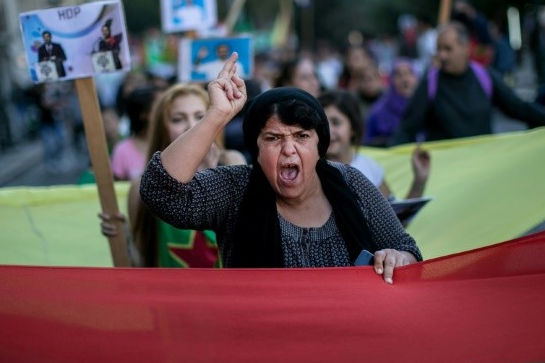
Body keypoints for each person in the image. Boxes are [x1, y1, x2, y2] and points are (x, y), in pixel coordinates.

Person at [139, 53, 422, 284]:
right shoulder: (235, 189)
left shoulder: (350, 182)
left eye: (301, 137)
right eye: (273, 139)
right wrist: (216, 116)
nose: (289, 149)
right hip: (264, 347)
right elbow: (161, 193)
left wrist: (398, 258)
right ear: (257, 149)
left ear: (319, 145)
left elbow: (407, 249)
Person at [101, 83, 246, 267]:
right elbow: (141, 266)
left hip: (228, 293)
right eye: (178, 119)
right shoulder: (141, 188)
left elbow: (247, 242)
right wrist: (124, 237)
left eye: (201, 117)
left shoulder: (233, 163)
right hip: (170, 294)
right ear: (162, 128)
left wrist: (214, 176)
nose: (192, 126)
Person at [390, 21, 545, 144]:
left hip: (482, 170)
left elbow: (519, 108)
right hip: (445, 173)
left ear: (466, 48)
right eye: (439, 49)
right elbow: (407, 129)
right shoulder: (429, 83)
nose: (441, 55)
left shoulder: (485, 76)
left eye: (448, 49)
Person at [319, 89, 429, 201]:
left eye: (336, 123)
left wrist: (419, 181)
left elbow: (395, 215)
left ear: (353, 127)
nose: (329, 131)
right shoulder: (312, 173)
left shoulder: (370, 166)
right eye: (323, 124)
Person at [364, 58, 419, 147]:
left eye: (409, 73)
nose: (405, 79)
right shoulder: (378, 111)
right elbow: (367, 142)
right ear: (391, 80)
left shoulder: (426, 107)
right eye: (398, 75)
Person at [110, 86, 157, 181]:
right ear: (143, 114)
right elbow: (119, 189)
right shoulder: (122, 150)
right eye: (159, 107)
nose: (165, 111)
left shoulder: (173, 142)